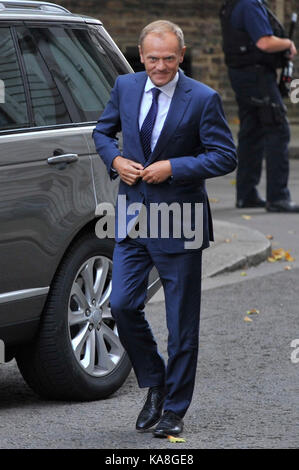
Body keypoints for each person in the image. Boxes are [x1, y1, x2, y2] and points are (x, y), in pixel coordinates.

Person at [93, 20, 236, 438]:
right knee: (120, 304)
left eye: (169, 59)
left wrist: (175, 167)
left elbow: (224, 156)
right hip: (133, 215)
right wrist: (116, 161)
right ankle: (155, 382)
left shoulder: (203, 98)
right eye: (153, 58)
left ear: (181, 55)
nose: (160, 66)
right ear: (141, 55)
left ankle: (174, 408)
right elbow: (103, 132)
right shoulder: (126, 86)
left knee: (181, 323)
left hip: (182, 220)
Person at [220, 0, 299, 212]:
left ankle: (246, 195)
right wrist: (287, 44)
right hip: (256, 76)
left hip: (242, 74)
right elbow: (264, 42)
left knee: (251, 132)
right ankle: (278, 197)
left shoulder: (233, 4)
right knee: (278, 129)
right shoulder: (249, 5)